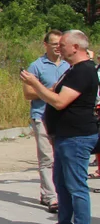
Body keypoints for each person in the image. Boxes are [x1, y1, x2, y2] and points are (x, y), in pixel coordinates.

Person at [23, 30, 99, 224]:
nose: (59, 48)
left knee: (76, 186)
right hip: (65, 136)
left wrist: (34, 82)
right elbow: (55, 92)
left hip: (77, 137)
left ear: (75, 47)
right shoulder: (73, 70)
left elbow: (58, 101)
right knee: (61, 184)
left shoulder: (83, 71)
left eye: (63, 44)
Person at [23, 30, 68, 212]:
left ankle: (54, 192)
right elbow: (28, 94)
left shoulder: (68, 65)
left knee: (62, 156)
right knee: (46, 157)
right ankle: (51, 197)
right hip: (41, 115)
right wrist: (47, 90)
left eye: (60, 44)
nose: (58, 47)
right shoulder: (36, 66)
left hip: (63, 117)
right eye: (54, 44)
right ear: (46, 45)